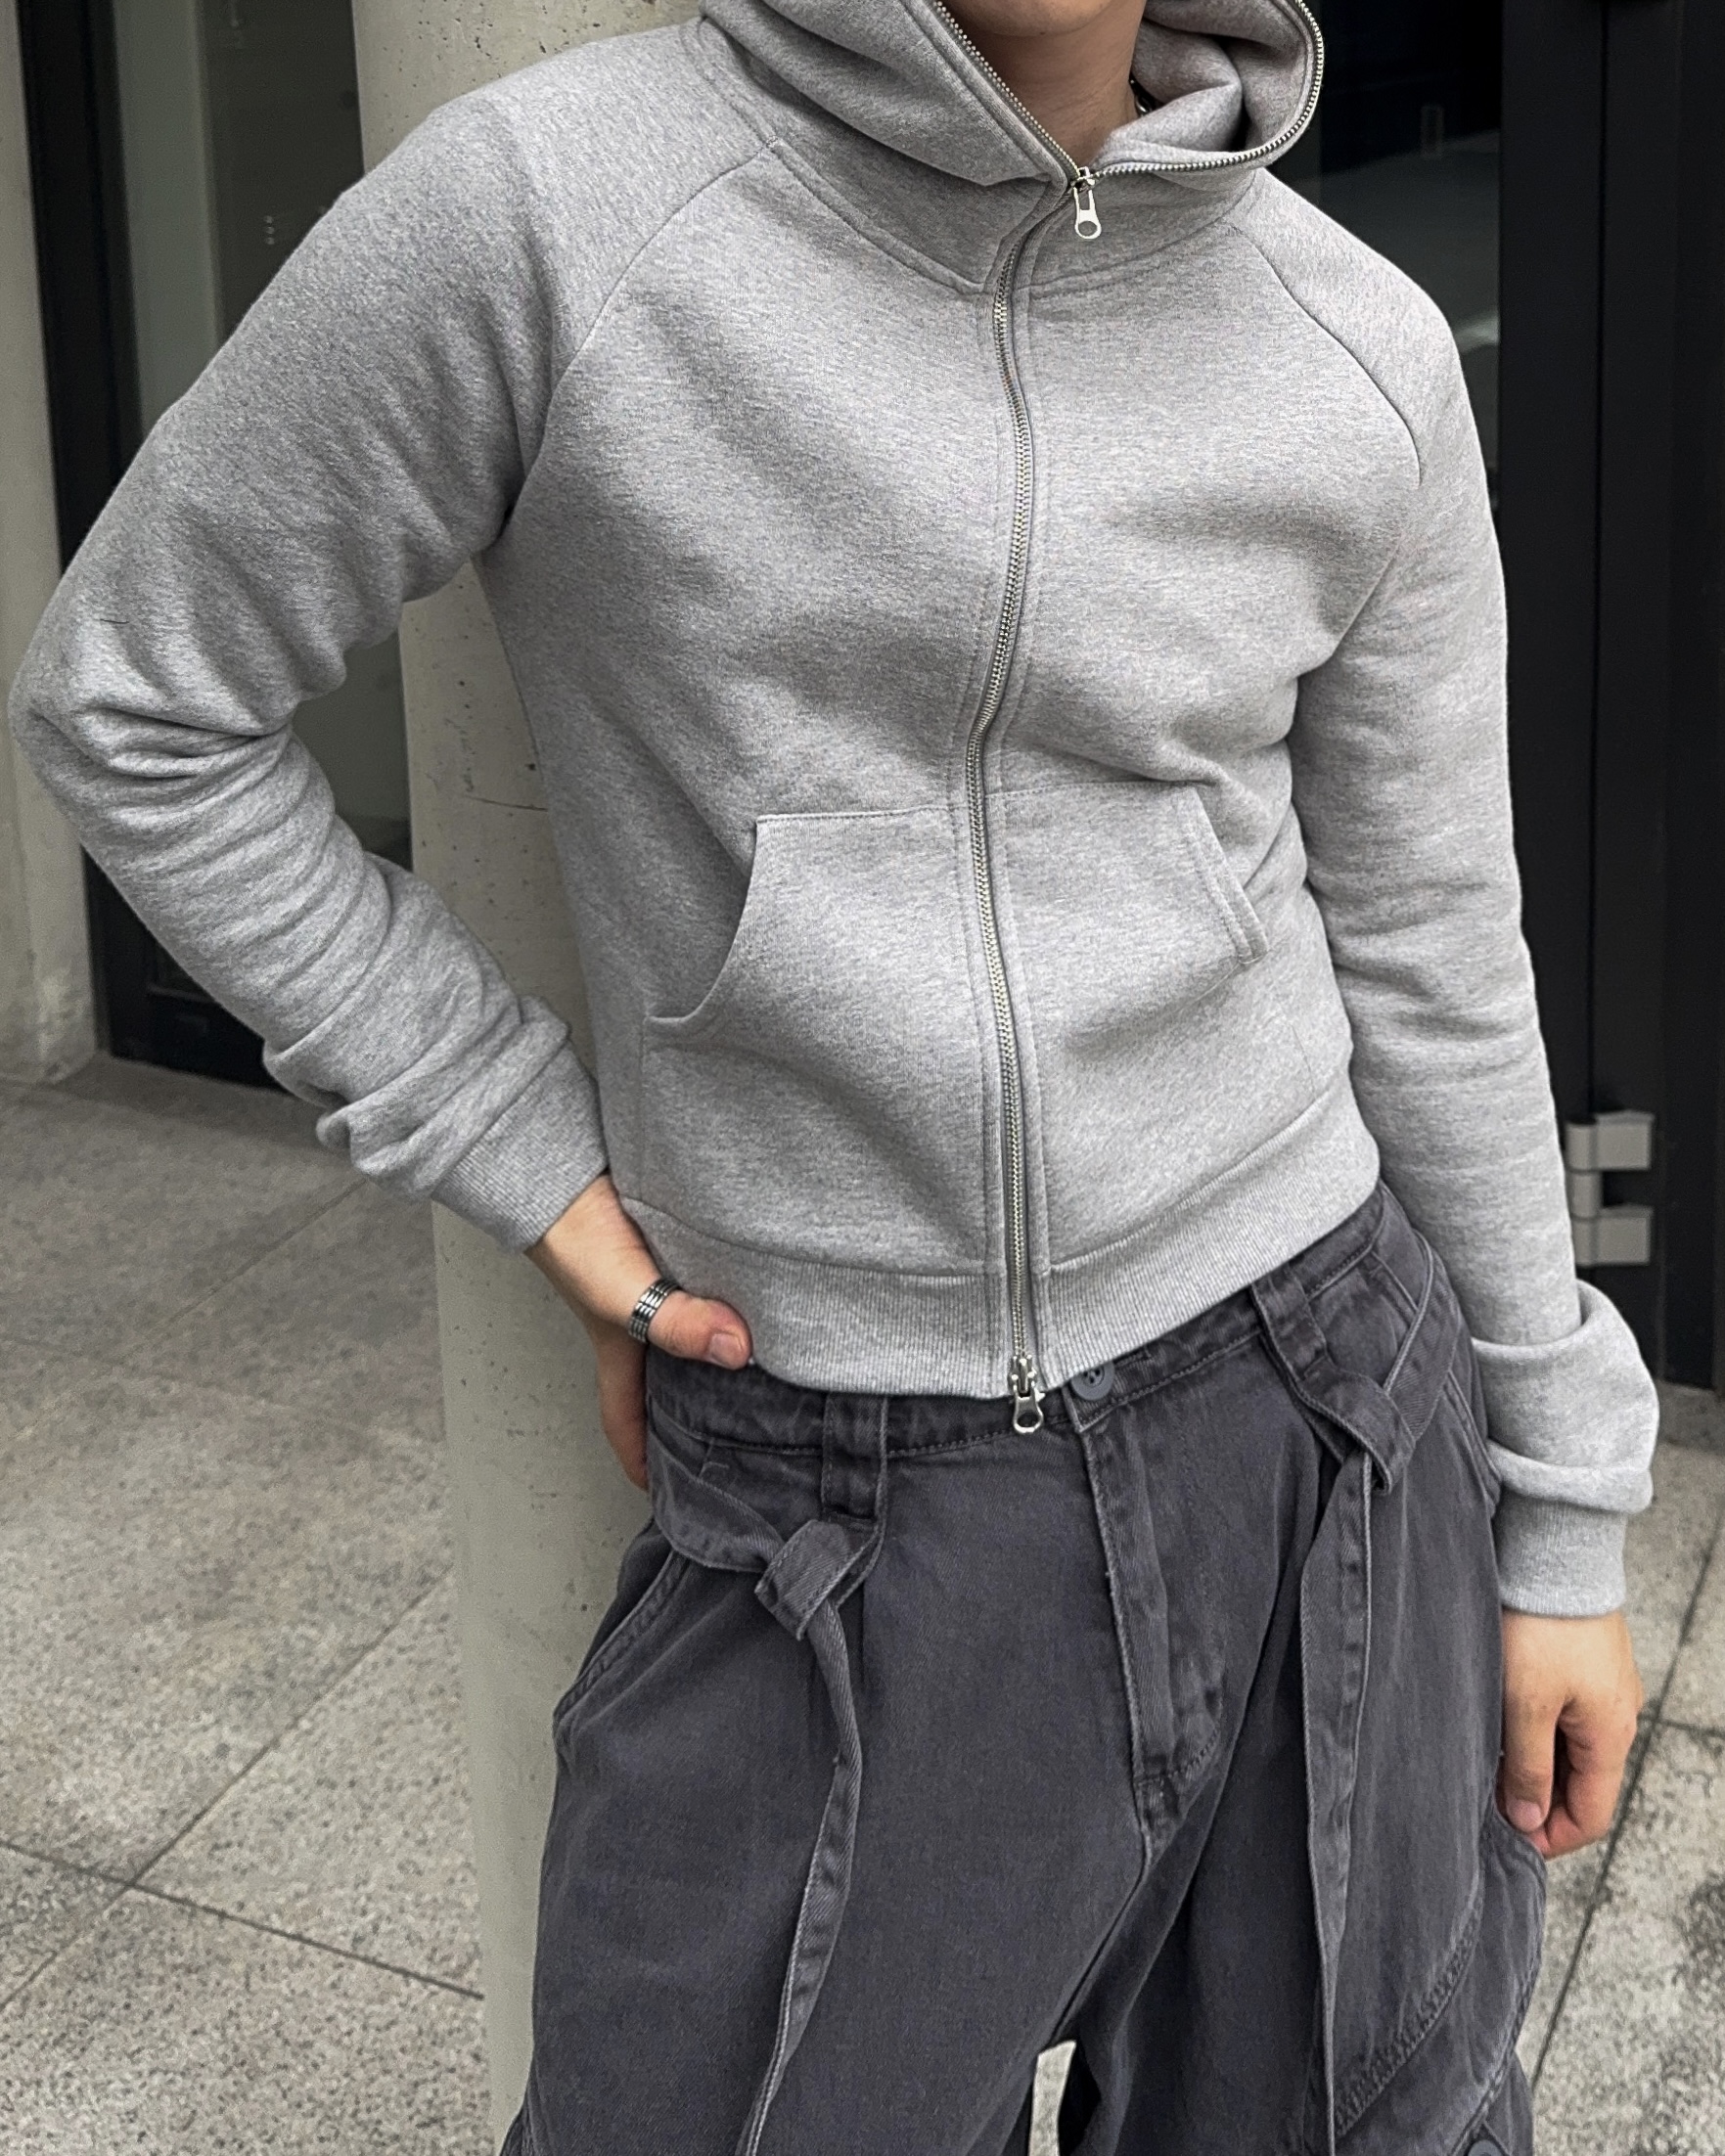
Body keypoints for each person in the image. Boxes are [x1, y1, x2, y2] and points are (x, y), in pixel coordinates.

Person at [11, 2, 1657, 2150]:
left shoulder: (1352, 341)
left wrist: (1562, 1515)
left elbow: (1435, 950)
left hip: (1328, 1436)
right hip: (836, 1497)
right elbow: (140, 699)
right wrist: (528, 1157)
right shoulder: (550, 219)